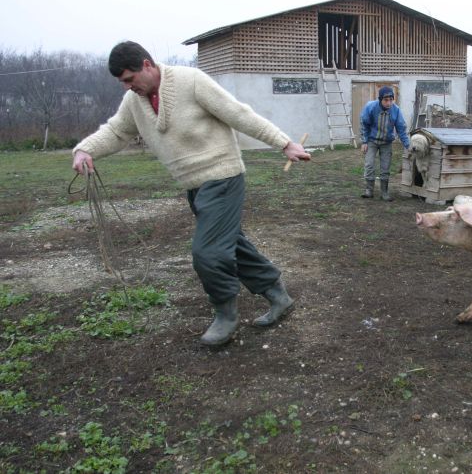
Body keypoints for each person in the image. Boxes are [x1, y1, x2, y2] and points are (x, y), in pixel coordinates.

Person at [72, 41, 311, 347]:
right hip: (196, 185)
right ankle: (279, 296)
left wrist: (284, 143)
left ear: (147, 65)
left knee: (208, 252)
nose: (128, 87)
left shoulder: (191, 81)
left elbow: (239, 114)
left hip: (223, 177)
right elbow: (116, 132)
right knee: (230, 244)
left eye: (130, 79)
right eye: (122, 82)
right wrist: (84, 150)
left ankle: (225, 315)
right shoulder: (135, 102)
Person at [359, 86, 411, 201]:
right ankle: (369, 190)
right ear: (380, 99)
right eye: (386, 100)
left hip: (386, 142)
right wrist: (364, 141)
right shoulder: (370, 107)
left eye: (391, 100)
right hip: (372, 141)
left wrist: (408, 145)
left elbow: (401, 129)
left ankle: (384, 192)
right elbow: (364, 124)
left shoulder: (396, 110)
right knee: (369, 164)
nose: (389, 103)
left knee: (385, 167)